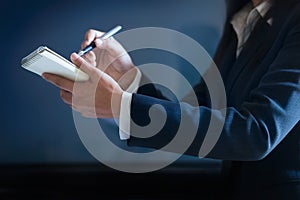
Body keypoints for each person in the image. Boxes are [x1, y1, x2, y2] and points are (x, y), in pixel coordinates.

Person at [43, 0, 300, 199]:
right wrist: (128, 76)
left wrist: (121, 105)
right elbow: (196, 112)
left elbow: (257, 133)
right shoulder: (245, 19)